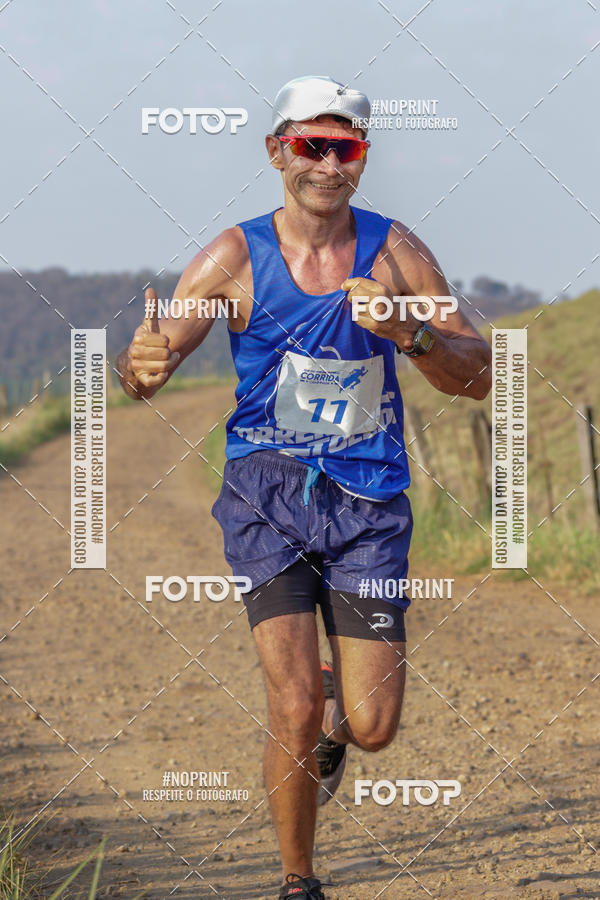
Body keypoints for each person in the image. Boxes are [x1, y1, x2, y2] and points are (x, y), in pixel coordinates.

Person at [117, 75, 492, 900]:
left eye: (344, 147)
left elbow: (479, 373)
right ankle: (298, 880)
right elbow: (153, 360)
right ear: (277, 151)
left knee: (373, 728)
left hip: (368, 506)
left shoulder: (395, 253)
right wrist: (140, 366)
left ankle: (336, 702)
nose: (327, 163)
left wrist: (415, 333)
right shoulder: (232, 255)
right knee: (287, 705)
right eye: (310, 145)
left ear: (363, 158)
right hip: (266, 494)